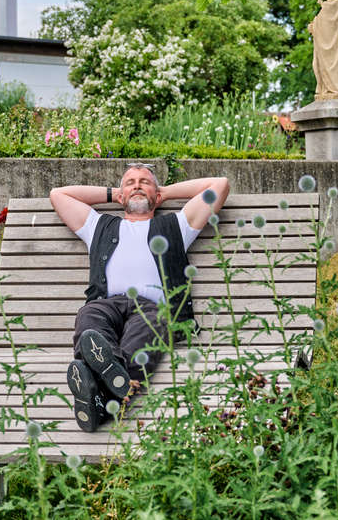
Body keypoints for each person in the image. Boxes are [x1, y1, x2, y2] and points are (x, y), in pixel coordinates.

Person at [49, 164, 230, 432]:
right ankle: (108, 383)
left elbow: (221, 185)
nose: (137, 185)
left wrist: (163, 192)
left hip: (151, 309)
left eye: (145, 182)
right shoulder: (99, 225)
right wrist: (117, 193)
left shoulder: (176, 225)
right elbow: (58, 195)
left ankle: (99, 394)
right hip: (107, 305)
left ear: (156, 196)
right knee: (88, 315)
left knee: (150, 324)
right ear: (121, 196)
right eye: (130, 182)